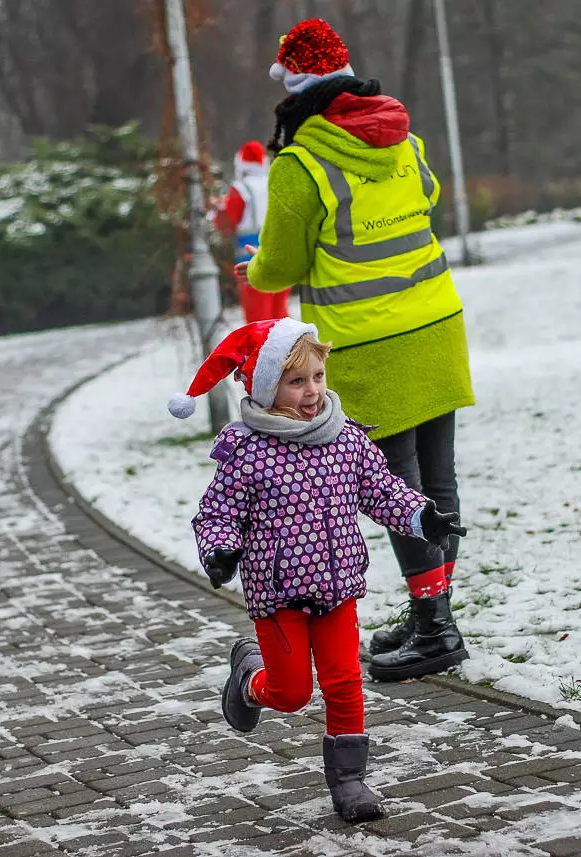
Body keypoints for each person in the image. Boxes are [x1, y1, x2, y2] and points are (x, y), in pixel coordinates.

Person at [236, 18, 476, 682]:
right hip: (436, 324)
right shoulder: (403, 138)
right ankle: (435, 614)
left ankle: (436, 627)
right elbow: (425, 197)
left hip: (370, 340)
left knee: (397, 489)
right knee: (437, 479)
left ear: (295, 92)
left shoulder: (301, 163)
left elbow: (280, 263)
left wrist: (252, 273)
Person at [167, 317, 465, 823]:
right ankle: (248, 678)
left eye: (318, 377)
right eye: (296, 381)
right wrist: (219, 550)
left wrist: (421, 516)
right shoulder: (246, 451)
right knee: (291, 694)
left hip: (337, 586)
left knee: (345, 681)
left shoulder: (344, 436)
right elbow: (216, 513)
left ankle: (350, 782)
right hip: (278, 593)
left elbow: (381, 490)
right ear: (265, 387)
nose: (312, 392)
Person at [212, 141, 290, 323]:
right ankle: (288, 350)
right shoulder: (275, 183)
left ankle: (264, 351)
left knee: (259, 319)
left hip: (251, 263)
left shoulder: (240, 189)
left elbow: (227, 223)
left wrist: (217, 210)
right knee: (281, 317)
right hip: (282, 258)